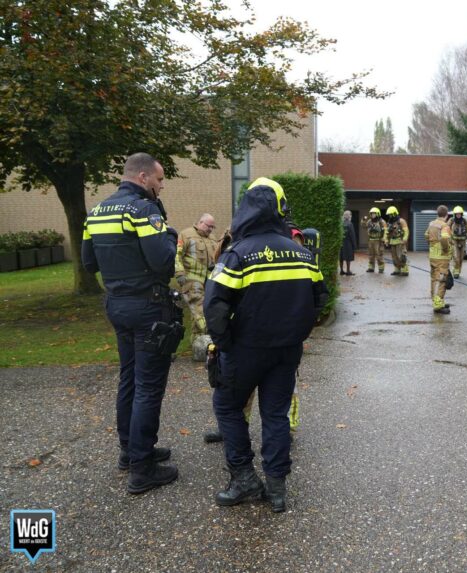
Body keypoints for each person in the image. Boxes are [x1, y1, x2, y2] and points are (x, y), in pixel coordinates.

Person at [204, 177, 326, 513]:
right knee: (275, 414)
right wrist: (297, 333)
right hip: (287, 351)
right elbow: (319, 300)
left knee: (227, 407)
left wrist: (226, 344)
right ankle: (276, 486)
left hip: (244, 350)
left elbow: (214, 306)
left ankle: (244, 478)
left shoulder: (237, 254)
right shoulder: (302, 253)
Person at [81, 152, 180, 494]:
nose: (161, 186)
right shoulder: (143, 210)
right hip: (147, 307)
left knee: (129, 378)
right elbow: (164, 262)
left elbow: (89, 262)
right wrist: (170, 234)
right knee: (148, 386)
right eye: (159, 179)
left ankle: (130, 450)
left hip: (116, 305)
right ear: (142, 177)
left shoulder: (96, 212)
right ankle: (142, 468)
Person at [175, 213, 217, 350]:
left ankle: (198, 345)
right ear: (200, 222)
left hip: (209, 281)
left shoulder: (213, 238)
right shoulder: (186, 234)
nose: (210, 229)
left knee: (201, 311)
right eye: (209, 226)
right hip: (191, 280)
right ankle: (212, 337)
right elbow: (177, 255)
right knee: (200, 310)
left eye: (213, 227)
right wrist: (179, 272)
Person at [424, 205, 452, 314]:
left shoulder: (432, 224)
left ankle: (437, 300)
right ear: (446, 215)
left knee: (434, 278)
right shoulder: (444, 226)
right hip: (441, 257)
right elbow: (444, 239)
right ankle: (438, 305)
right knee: (442, 280)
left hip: (432, 256)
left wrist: (432, 245)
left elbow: (426, 235)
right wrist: (445, 249)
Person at [383, 206, 409, 276]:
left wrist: (405, 238)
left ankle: (405, 270)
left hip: (400, 241)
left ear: (394, 213)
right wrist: (386, 239)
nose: (390, 216)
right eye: (389, 215)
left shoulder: (401, 221)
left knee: (401, 256)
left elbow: (406, 230)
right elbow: (386, 232)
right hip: (392, 241)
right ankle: (397, 270)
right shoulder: (389, 223)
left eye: (391, 214)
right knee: (394, 257)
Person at [449, 206, 467, 279]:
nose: (458, 215)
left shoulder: (465, 221)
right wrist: (447, 238)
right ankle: (456, 272)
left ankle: (458, 270)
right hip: (454, 241)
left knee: (461, 258)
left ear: (462, 214)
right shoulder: (451, 221)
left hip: (463, 242)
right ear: (454, 214)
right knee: (456, 257)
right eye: (457, 214)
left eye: (459, 214)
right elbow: (446, 228)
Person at [365, 207, 387, 273]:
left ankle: (381, 268)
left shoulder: (381, 221)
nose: (372, 215)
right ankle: (371, 268)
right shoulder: (369, 221)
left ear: (377, 214)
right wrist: (363, 219)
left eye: (374, 214)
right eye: (371, 214)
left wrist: (384, 238)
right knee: (371, 255)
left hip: (378, 241)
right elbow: (364, 225)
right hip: (371, 240)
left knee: (379, 255)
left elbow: (386, 231)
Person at [339, 210, 357, 276]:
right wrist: (354, 245)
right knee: (348, 257)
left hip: (341, 243)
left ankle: (341, 270)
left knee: (341, 257)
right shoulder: (350, 224)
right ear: (349, 216)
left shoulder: (340, 224)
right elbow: (352, 235)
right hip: (348, 243)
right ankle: (348, 271)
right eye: (350, 215)